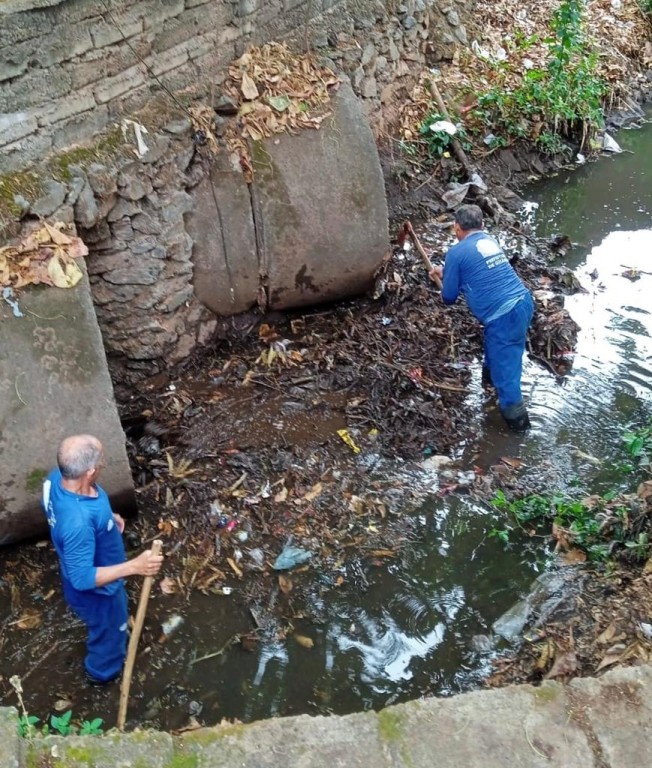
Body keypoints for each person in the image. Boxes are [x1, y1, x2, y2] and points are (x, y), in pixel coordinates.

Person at [42, 434, 163, 685]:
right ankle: (101, 675)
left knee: (111, 623)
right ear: (90, 471)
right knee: (110, 634)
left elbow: (77, 515)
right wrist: (135, 566)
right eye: (101, 460)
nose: (104, 463)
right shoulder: (78, 522)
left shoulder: (55, 479)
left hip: (81, 562)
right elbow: (82, 578)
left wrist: (107, 518)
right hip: (99, 594)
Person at [430, 204, 534, 431]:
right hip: (524, 302)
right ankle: (489, 384)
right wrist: (445, 271)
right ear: (482, 225)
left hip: (504, 315)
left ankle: (520, 431)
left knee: (507, 375)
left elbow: (448, 297)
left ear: (456, 228)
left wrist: (446, 278)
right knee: (497, 349)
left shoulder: (456, 252)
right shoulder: (489, 240)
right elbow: (477, 270)